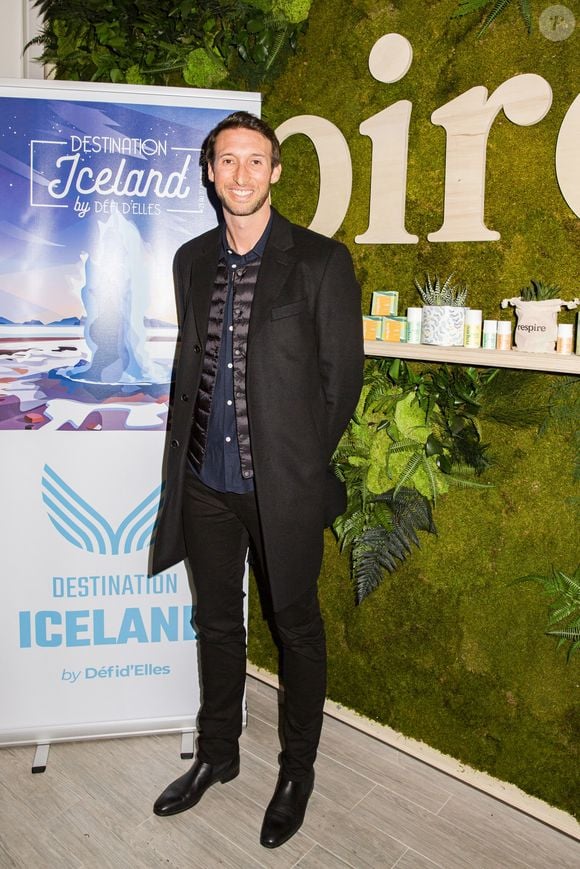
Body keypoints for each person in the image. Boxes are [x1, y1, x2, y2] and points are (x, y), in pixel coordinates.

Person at [151, 111, 363, 848]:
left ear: (275, 172)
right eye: (227, 160)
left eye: (255, 161)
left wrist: (296, 462)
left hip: (281, 487)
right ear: (209, 171)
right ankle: (218, 753)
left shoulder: (320, 262)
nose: (240, 174)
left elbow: (342, 382)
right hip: (204, 481)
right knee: (216, 620)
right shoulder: (190, 260)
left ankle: (296, 769)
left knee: (295, 626)